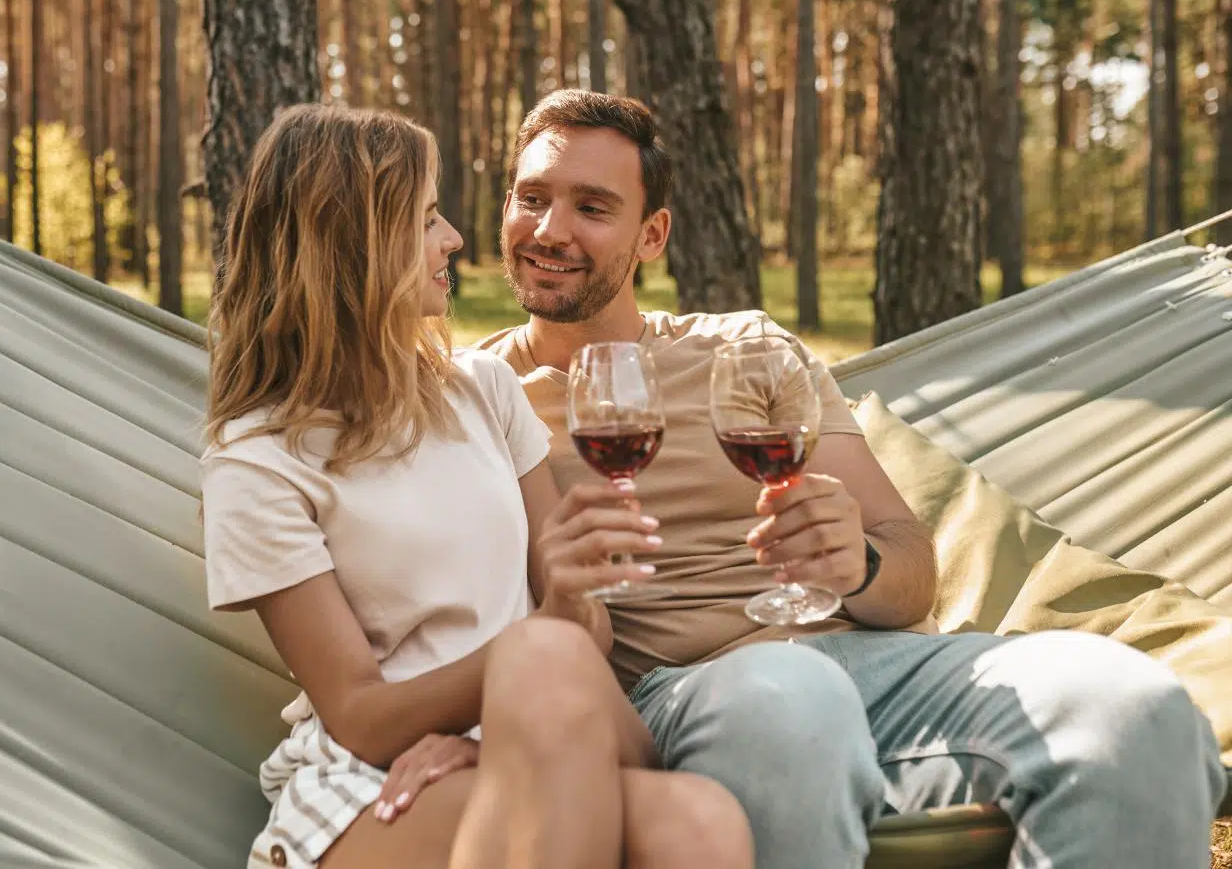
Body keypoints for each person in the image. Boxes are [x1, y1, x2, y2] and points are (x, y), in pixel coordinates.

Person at [476, 88, 1228, 869]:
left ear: (652, 235)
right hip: (693, 696)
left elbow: (912, 572)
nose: (550, 230)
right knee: (794, 706)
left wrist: (859, 564)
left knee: (1137, 709)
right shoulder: (471, 397)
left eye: (593, 207)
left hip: (878, 669)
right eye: (532, 199)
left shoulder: (747, 349)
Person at [200, 103, 753, 869]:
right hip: (377, 778)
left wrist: (564, 611)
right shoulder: (258, 459)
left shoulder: (484, 389)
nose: (455, 238)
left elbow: (581, 633)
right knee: (541, 658)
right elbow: (358, 713)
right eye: (427, 217)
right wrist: (534, 655)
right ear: (353, 245)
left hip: (538, 730)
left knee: (701, 819)